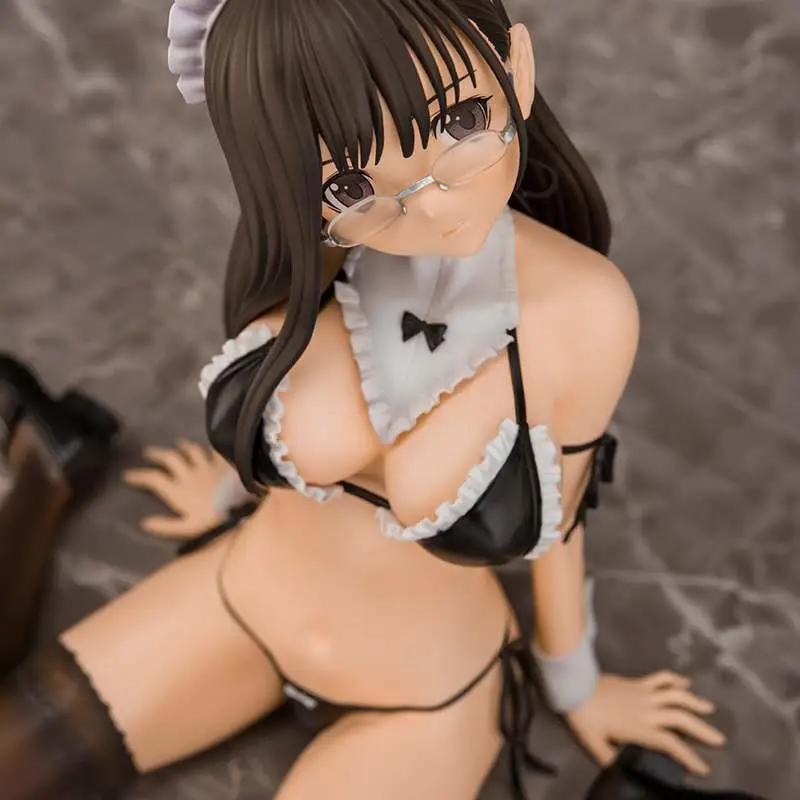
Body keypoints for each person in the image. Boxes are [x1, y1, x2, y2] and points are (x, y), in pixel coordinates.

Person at [0, 1, 730, 798]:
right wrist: (226, 492)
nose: (431, 203)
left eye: (459, 121)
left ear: (516, 69)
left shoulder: (584, 311)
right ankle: (41, 463)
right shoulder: (323, 253)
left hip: (424, 693)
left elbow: (563, 526)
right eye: (351, 182)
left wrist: (577, 684)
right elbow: (284, 407)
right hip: (241, 598)